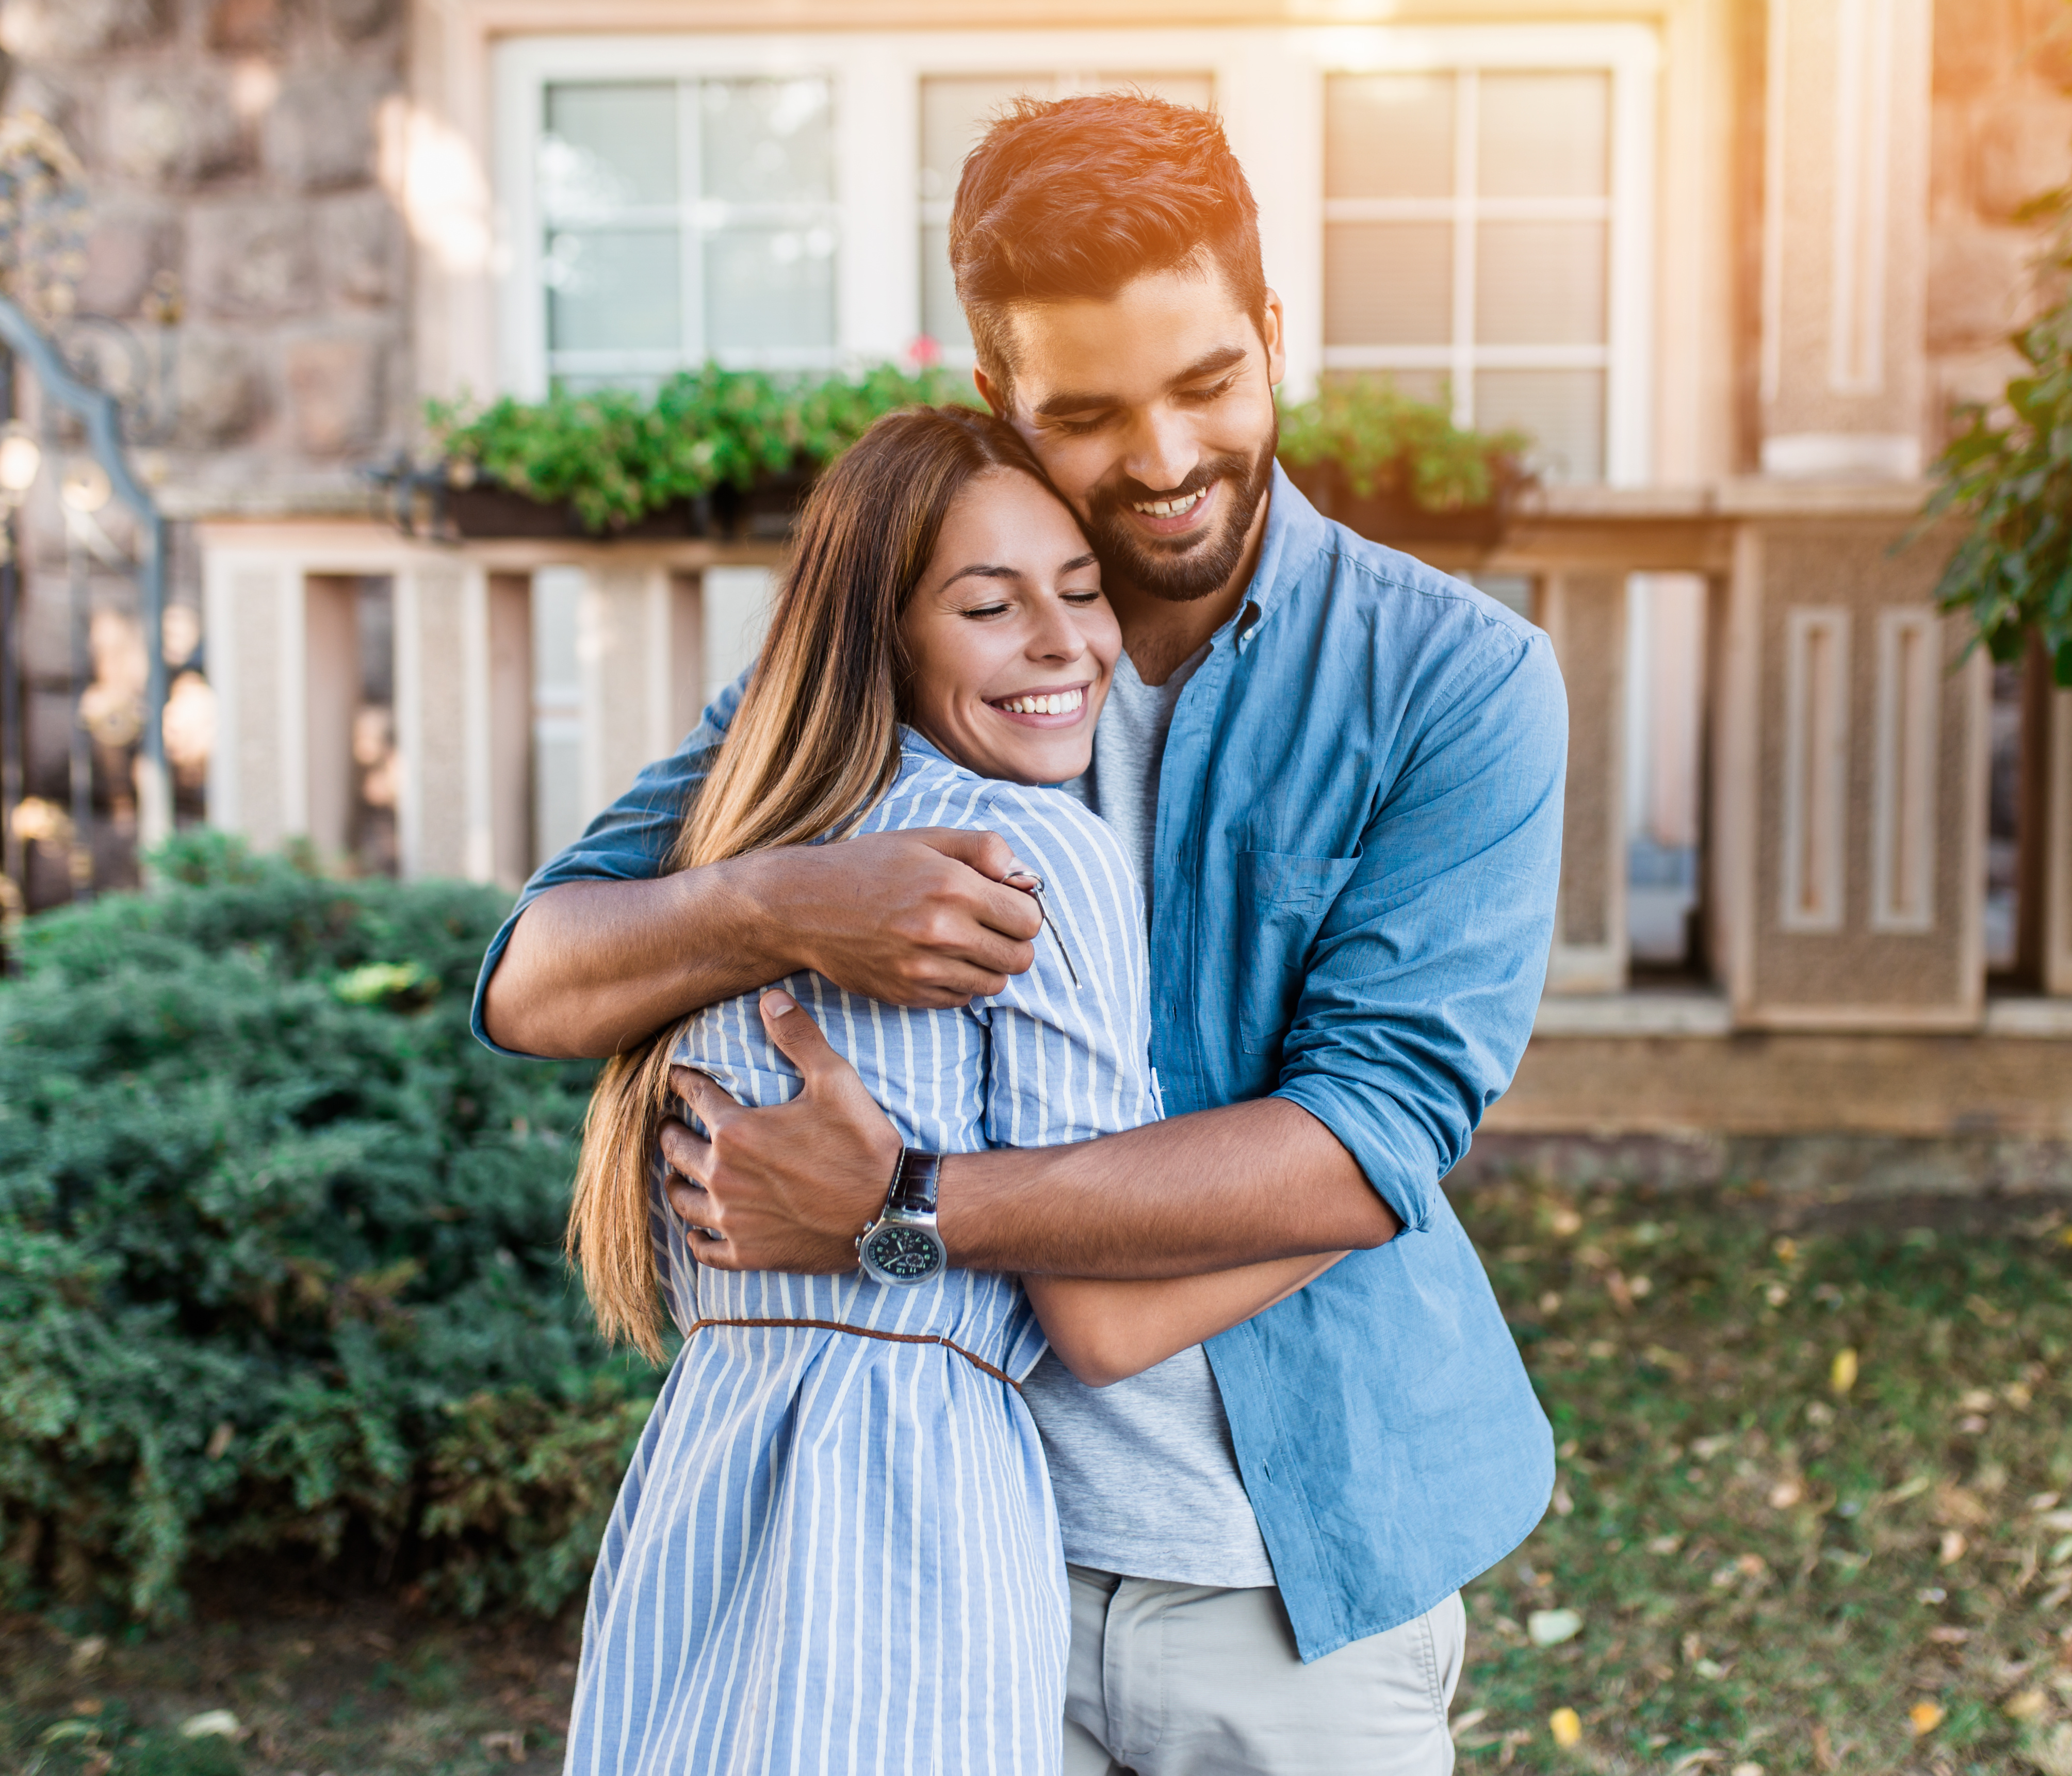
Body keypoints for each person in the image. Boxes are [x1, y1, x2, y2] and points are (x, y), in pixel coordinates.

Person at [480, 93, 1567, 1775]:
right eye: (1086, 412)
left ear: (1272, 331)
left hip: (1296, 1570)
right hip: (951, 1547)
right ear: (999, 401)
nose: (1161, 458)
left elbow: (1372, 1141)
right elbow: (539, 979)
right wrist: (782, 901)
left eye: (1206, 382)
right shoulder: (895, 648)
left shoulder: (1451, 682)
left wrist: (899, 1212)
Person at [562, 402, 1342, 1776]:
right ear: (886, 634)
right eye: (990, 606)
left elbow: (530, 979)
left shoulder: (715, 857)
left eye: (1083, 593)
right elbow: (1096, 1315)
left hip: (706, 1469)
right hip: (913, 1498)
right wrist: (1362, 1194)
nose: (1062, 642)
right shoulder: (1029, 852)